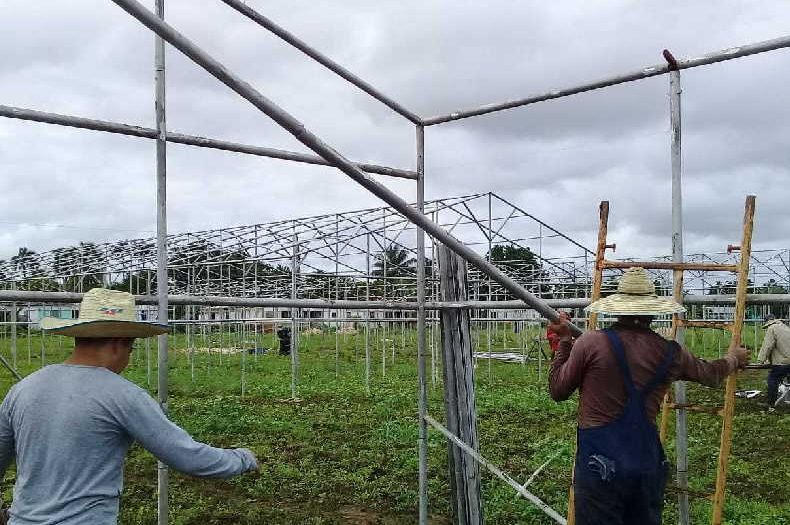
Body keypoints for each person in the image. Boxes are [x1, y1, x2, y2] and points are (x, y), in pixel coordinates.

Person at [0, 288, 259, 525]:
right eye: (131, 349)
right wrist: (242, 459)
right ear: (118, 344)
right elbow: (187, 456)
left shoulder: (24, 388)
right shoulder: (122, 395)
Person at [549, 267, 749, 525]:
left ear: (617, 308)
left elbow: (558, 390)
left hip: (599, 465)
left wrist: (565, 341)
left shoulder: (590, 343)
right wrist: (734, 359)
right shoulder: (670, 353)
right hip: (646, 463)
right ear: (652, 312)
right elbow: (709, 373)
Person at [757, 314, 790, 410]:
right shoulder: (786, 327)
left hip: (782, 362)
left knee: (772, 379)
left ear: (766, 321)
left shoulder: (772, 328)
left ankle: (770, 403)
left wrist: (761, 360)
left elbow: (767, 346)